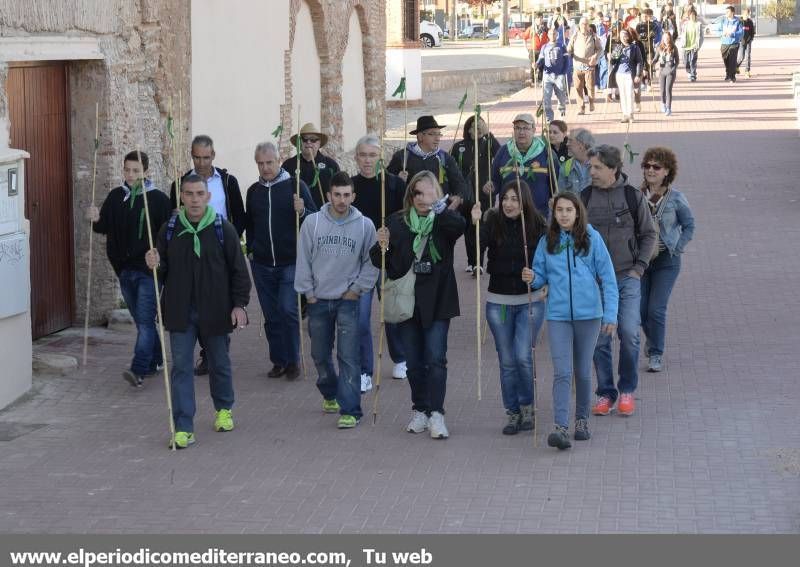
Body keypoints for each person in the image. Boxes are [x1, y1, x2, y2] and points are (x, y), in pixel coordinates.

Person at [145, 174, 251, 449]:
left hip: (215, 309)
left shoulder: (222, 229)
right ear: (181, 196)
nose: (194, 200)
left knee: (219, 361)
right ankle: (183, 426)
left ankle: (224, 409)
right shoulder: (169, 229)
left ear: (207, 196)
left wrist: (239, 305)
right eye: (189, 194)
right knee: (181, 367)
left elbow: (239, 270)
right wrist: (154, 264)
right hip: (180, 310)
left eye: (199, 194)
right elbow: (163, 272)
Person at [371, 171, 465, 439]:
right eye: (419, 193)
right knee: (414, 362)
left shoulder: (443, 220)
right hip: (407, 302)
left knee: (436, 358)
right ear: (410, 196)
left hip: (437, 301)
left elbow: (458, 227)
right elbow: (379, 261)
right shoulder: (397, 222)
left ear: (438, 194)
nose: (424, 199)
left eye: (430, 192)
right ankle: (420, 409)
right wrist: (382, 246)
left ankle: (437, 413)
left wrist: (442, 209)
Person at [524, 192, 618, 450]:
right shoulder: (547, 241)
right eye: (559, 210)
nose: (564, 214)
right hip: (558, 315)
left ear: (578, 213)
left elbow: (608, 278)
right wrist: (533, 277)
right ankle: (560, 427)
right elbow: (541, 277)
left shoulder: (592, 238)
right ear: (553, 214)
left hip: (590, 315)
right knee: (562, 371)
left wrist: (610, 314)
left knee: (583, 370)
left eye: (569, 210)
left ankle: (581, 421)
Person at [295, 172, 379, 429]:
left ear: (353, 196)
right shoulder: (312, 223)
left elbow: (372, 262)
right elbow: (303, 260)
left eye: (346, 195)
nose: (342, 200)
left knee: (348, 356)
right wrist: (308, 294)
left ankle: (351, 409)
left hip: (348, 300)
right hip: (319, 299)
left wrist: (357, 290)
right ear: (329, 195)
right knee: (319, 355)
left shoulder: (365, 226)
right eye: (337, 195)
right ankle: (330, 391)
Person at [581, 145, 656, 418]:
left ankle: (627, 390)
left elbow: (649, 234)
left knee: (629, 333)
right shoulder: (585, 197)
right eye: (591, 167)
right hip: (596, 281)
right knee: (600, 339)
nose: (592, 172)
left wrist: (639, 267)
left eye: (597, 167)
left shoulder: (632, 197)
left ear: (613, 169)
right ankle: (605, 393)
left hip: (627, 277)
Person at [87, 151, 171, 388]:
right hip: (124, 270)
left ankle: (138, 369)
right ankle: (156, 360)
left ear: (146, 171)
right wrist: (94, 218)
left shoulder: (158, 200)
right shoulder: (116, 197)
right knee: (140, 320)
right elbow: (103, 226)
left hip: (149, 271)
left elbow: (168, 236)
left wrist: (160, 258)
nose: (131, 175)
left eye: (136, 171)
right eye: (127, 170)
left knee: (145, 321)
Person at [168, 135, 246, 376]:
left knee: (216, 302)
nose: (201, 162)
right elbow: (170, 224)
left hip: (219, 247)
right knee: (195, 303)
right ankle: (208, 352)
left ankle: (214, 350)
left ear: (213, 156)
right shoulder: (179, 184)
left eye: (206, 157)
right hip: (189, 250)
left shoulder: (227, 181)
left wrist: (230, 238)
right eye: (196, 157)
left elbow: (239, 213)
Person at [474, 180, 546, 435]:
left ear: (524, 201)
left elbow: (551, 261)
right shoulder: (492, 221)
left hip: (530, 301)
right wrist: (475, 224)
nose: (508, 203)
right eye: (505, 198)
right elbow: (477, 250)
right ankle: (512, 411)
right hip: (499, 302)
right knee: (507, 361)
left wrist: (540, 280)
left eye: (515, 199)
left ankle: (527, 405)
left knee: (523, 357)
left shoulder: (539, 225)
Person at [246, 142, 317, 380]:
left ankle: (294, 360)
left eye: (269, 162)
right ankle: (279, 361)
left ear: (278, 161)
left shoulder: (296, 187)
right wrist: (252, 250)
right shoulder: (253, 191)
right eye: (260, 163)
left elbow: (316, 220)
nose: (265, 168)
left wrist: (303, 211)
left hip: (291, 261)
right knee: (271, 316)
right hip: (262, 263)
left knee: (288, 310)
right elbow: (251, 223)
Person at [351, 134, 407, 391]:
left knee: (392, 313)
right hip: (360, 263)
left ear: (380, 158)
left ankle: (401, 357)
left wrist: (390, 234)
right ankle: (364, 370)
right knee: (361, 319)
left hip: (387, 257)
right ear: (356, 157)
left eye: (372, 155)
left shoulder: (393, 185)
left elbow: (405, 219)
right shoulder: (350, 187)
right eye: (362, 155)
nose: (367, 160)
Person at [638, 147, 695, 373]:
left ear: (666, 171)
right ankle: (652, 340)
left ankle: (656, 353)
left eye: (656, 167)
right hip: (641, 261)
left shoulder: (676, 199)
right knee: (641, 311)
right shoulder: (637, 195)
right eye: (647, 166)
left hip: (666, 262)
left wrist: (678, 247)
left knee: (656, 309)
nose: (650, 170)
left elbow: (689, 226)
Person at [451, 115, 500, 274]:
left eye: (481, 126)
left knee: (481, 226)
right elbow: (450, 169)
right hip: (466, 194)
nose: (477, 130)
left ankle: (479, 262)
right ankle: (471, 261)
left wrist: (488, 134)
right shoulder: (459, 147)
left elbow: (499, 154)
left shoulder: (488, 143)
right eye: (474, 127)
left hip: (485, 193)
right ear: (468, 129)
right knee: (469, 228)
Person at [386, 115, 465, 212]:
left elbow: (459, 182)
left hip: (439, 213)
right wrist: (398, 180)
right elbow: (387, 183)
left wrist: (458, 197)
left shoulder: (444, 157)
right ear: (420, 136)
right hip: (411, 213)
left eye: (439, 134)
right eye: (432, 134)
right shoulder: (402, 157)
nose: (437, 138)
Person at [489, 113, 558, 217]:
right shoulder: (503, 151)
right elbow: (495, 181)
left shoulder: (546, 152)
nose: (521, 132)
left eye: (525, 128)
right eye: (517, 128)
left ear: (534, 130)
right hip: (509, 214)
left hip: (538, 214)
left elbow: (556, 183)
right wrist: (490, 187)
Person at [282, 123, 341, 209]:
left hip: (323, 217)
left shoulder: (331, 166)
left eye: (313, 140)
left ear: (319, 143)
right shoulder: (288, 165)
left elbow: (339, 192)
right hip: (296, 218)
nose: (308, 142)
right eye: (304, 139)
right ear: (299, 143)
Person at [567, 17, 603, 114]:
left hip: (589, 65)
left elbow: (600, 49)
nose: (584, 26)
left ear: (588, 25)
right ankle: (581, 107)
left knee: (590, 86)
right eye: (582, 24)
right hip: (577, 65)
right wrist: (568, 54)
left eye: (586, 24)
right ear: (579, 25)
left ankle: (591, 102)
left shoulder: (593, 36)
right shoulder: (575, 36)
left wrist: (595, 57)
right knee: (578, 88)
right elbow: (569, 49)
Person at [536, 27, 570, 122]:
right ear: (548, 35)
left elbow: (567, 61)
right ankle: (549, 119)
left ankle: (562, 110)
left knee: (561, 96)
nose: (552, 35)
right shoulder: (544, 47)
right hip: (547, 75)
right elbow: (541, 60)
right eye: (550, 33)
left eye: (554, 33)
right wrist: (536, 64)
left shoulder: (562, 46)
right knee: (546, 97)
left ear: (557, 34)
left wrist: (563, 73)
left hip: (559, 75)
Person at [610, 27, 643, 123]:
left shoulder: (634, 47)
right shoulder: (618, 47)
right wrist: (612, 56)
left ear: (628, 36)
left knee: (629, 94)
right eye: (621, 36)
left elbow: (639, 62)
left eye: (625, 36)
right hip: (619, 74)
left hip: (629, 74)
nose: (623, 38)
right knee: (622, 95)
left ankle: (631, 114)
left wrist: (638, 74)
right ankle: (625, 114)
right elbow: (612, 61)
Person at [557, 127, 595, 194]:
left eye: (570, 140)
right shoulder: (566, 167)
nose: (567, 144)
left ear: (581, 145)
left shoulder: (599, 165)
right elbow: (561, 194)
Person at [635, 9, 662, 93]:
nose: (644, 18)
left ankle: (650, 83)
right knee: (642, 66)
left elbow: (657, 34)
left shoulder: (653, 25)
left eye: (646, 16)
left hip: (650, 48)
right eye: (643, 16)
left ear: (649, 16)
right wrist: (640, 36)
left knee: (649, 64)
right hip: (641, 48)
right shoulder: (639, 25)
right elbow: (637, 36)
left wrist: (653, 34)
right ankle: (643, 82)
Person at [719, 5, 743, 83]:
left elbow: (741, 33)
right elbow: (718, 30)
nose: (726, 13)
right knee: (726, 60)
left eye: (728, 11)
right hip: (724, 43)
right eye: (726, 11)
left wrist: (732, 34)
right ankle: (728, 73)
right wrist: (722, 34)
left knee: (732, 60)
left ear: (732, 12)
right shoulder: (723, 20)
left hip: (734, 43)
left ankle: (732, 76)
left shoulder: (738, 21)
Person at [658, 32, 680, 115]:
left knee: (668, 90)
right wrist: (651, 62)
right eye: (665, 38)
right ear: (663, 39)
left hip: (670, 71)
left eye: (667, 38)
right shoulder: (659, 47)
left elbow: (677, 61)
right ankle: (663, 104)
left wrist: (673, 69)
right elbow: (656, 58)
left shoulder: (674, 48)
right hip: (662, 71)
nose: (666, 40)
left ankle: (669, 108)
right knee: (662, 90)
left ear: (670, 38)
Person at [522, 14, 549, 84]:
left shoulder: (545, 29)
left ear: (542, 19)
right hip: (533, 50)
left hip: (542, 51)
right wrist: (526, 48)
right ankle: (532, 80)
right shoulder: (531, 29)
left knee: (542, 67)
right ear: (535, 20)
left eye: (540, 19)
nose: (539, 20)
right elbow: (524, 38)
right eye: (537, 19)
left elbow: (549, 38)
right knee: (533, 66)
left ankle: (540, 80)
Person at [681, 8, 703, 82]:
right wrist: (682, 43)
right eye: (691, 15)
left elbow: (702, 37)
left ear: (695, 16)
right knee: (685, 62)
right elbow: (682, 34)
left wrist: (699, 45)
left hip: (694, 46)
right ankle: (689, 71)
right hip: (685, 46)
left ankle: (693, 75)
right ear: (689, 16)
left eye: (693, 15)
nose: (692, 16)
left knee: (693, 61)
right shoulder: (685, 24)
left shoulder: (698, 24)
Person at [738, 8, 755, 79]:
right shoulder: (739, 21)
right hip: (742, 42)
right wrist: (739, 39)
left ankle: (747, 71)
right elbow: (737, 31)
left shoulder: (750, 22)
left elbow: (752, 32)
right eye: (745, 14)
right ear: (743, 14)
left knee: (748, 56)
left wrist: (750, 39)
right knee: (741, 56)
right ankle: (736, 66)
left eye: (748, 14)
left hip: (748, 42)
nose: (747, 15)